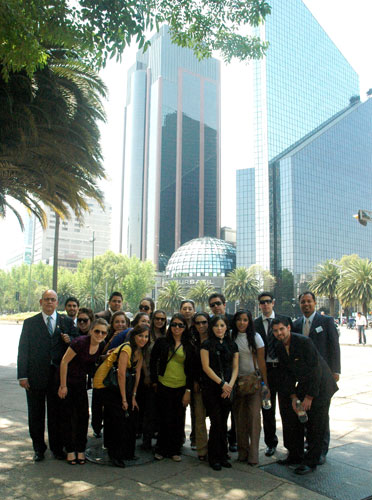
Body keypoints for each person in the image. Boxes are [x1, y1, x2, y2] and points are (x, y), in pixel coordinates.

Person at [272, 318, 338, 475]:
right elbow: (286, 374)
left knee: (316, 424)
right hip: (303, 384)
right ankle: (295, 455)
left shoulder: (303, 342)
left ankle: (311, 462)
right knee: (295, 420)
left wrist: (309, 397)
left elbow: (316, 370)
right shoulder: (279, 347)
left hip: (321, 386)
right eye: (275, 331)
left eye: (281, 329)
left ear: (288, 328)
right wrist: (294, 396)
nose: (279, 333)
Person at [17, 289, 77, 462]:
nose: (49, 302)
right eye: (46, 299)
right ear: (41, 302)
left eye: (52, 300)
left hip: (58, 377)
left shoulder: (65, 321)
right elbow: (23, 350)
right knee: (36, 414)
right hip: (35, 377)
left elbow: (76, 341)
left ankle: (57, 448)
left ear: (57, 303)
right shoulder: (30, 323)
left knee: (56, 414)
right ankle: (39, 448)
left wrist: (70, 340)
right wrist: (22, 375)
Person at [292, 291, 341, 462]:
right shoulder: (297, 324)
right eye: (303, 302)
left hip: (324, 375)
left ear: (314, 303)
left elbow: (334, 346)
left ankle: (321, 450)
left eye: (309, 301)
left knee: (321, 414)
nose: (306, 304)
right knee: (308, 414)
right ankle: (310, 444)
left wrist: (335, 371)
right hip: (306, 377)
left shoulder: (326, 321)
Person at [93, 325, 149, 467]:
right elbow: (121, 374)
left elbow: (137, 375)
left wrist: (133, 396)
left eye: (146, 336)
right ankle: (115, 455)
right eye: (140, 336)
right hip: (107, 385)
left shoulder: (140, 352)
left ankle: (127, 453)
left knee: (130, 416)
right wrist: (124, 399)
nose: (143, 339)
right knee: (116, 419)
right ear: (134, 336)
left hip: (120, 386)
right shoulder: (127, 348)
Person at [58, 319, 108, 464]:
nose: (99, 334)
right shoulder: (79, 343)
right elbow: (64, 362)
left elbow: (95, 361)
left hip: (80, 383)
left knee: (83, 417)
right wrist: (62, 386)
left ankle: (80, 449)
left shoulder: (101, 345)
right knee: (68, 417)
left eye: (103, 332)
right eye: (97, 331)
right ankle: (70, 450)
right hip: (66, 381)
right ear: (91, 330)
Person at [150, 313, 194, 462]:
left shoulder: (189, 345)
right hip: (163, 384)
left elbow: (191, 370)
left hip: (181, 386)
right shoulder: (162, 342)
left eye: (180, 325)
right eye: (174, 324)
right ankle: (161, 448)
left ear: (185, 327)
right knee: (163, 418)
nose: (177, 327)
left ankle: (175, 450)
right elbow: (153, 361)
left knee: (178, 418)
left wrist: (188, 391)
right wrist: (155, 381)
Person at [200, 315, 239, 471]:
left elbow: (236, 367)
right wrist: (221, 384)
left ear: (226, 327)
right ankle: (213, 457)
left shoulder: (232, 345)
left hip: (228, 389)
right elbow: (206, 367)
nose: (219, 328)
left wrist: (229, 385)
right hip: (212, 388)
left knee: (224, 422)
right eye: (216, 325)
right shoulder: (206, 344)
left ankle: (223, 455)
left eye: (222, 325)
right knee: (215, 422)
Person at [254, 291, 290, 457]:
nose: (265, 304)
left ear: (273, 302)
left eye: (268, 301)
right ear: (259, 304)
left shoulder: (285, 320)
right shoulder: (255, 324)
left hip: (282, 371)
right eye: (262, 302)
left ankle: (291, 444)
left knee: (286, 409)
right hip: (265, 372)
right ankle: (271, 443)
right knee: (267, 409)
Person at [232, 310, 269, 465]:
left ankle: (253, 454)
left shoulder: (256, 337)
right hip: (236, 383)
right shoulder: (230, 336)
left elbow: (261, 363)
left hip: (253, 383)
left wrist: (266, 385)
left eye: (245, 320)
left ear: (249, 322)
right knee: (239, 419)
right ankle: (242, 452)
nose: (242, 323)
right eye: (239, 320)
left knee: (254, 418)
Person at [91, 310, 128, 438]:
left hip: (116, 377)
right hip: (102, 375)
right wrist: (112, 339)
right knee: (97, 404)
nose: (120, 324)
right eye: (117, 322)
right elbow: (98, 355)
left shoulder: (128, 336)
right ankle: (96, 427)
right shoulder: (103, 334)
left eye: (123, 322)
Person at [208, 293, 237, 452]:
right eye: (212, 305)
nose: (216, 306)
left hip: (232, 375)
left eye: (218, 303)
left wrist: (230, 384)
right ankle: (217, 450)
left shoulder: (235, 320)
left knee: (233, 412)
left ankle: (232, 440)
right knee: (217, 419)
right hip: (215, 380)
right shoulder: (209, 325)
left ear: (225, 304)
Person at [141, 310, 167, 450]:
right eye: (157, 318)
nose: (159, 321)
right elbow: (143, 356)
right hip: (149, 375)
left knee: (160, 410)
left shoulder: (167, 335)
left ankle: (159, 438)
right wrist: (146, 375)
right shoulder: (147, 334)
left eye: (162, 319)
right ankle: (146, 439)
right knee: (149, 410)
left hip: (163, 377)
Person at [190, 312, 210, 461]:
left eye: (204, 322)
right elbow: (191, 365)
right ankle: (202, 450)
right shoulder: (192, 341)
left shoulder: (215, 339)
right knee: (199, 417)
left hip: (214, 384)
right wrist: (195, 381)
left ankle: (217, 447)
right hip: (198, 384)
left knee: (217, 419)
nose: (201, 325)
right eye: (198, 323)